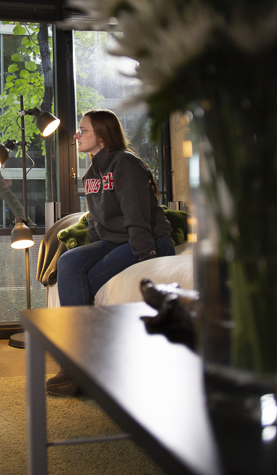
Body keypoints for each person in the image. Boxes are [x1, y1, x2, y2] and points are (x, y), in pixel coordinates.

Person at [48, 110, 175, 396]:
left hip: (144, 238)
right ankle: (79, 358)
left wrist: (147, 256)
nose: (76, 135)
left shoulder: (125, 163)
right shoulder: (91, 173)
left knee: (86, 281)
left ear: (102, 137)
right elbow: (96, 221)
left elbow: (136, 213)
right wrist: (93, 248)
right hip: (114, 241)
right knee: (69, 261)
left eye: (84, 130)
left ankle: (79, 364)